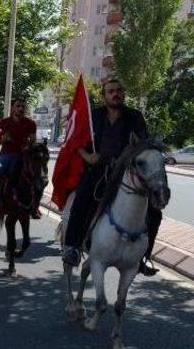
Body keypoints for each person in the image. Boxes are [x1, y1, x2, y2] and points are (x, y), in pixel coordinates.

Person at [62, 78, 162, 276]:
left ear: (123, 94)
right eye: (111, 91)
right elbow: (75, 139)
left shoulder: (135, 117)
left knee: (154, 212)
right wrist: (88, 157)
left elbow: (143, 145)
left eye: (118, 90)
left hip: (127, 173)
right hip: (98, 170)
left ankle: (143, 258)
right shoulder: (94, 116)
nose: (115, 94)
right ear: (104, 95)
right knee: (81, 200)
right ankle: (72, 247)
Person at [0, 98, 38, 216]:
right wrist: (2, 139)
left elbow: (33, 141)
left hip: (23, 157)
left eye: (22, 106)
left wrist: (29, 146)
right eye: (18, 106)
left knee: (38, 176)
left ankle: (34, 207)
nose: (20, 109)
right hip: (6, 156)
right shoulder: (3, 123)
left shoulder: (30, 124)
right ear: (12, 108)